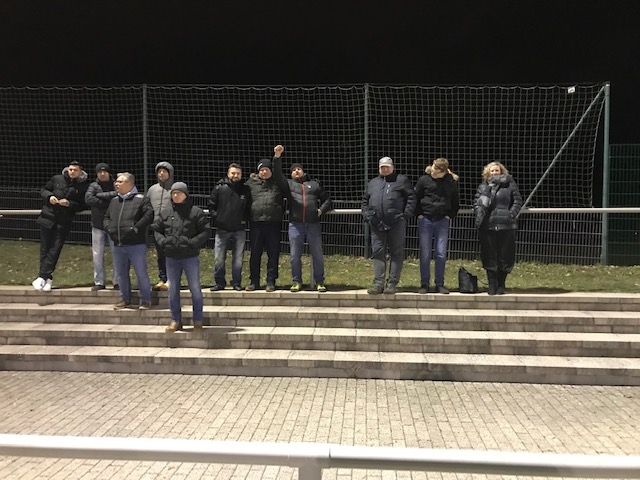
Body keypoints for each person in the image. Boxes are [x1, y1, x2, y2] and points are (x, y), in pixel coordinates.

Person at [272, 145, 332, 292]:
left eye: (298, 169)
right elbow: (277, 175)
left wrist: (321, 210)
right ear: (291, 174)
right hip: (295, 225)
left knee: (317, 255)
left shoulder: (314, 184)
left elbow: (327, 200)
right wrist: (277, 157)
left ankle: (319, 282)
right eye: (293, 170)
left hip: (313, 224)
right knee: (294, 256)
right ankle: (296, 282)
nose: (296, 171)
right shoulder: (288, 185)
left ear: (303, 171)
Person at [152, 182, 211, 332]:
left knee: (195, 289)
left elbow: (205, 231)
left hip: (190, 257)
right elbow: (156, 230)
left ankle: (198, 320)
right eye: (173, 193)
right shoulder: (165, 212)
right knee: (172, 290)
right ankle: (175, 320)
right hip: (171, 257)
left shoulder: (196, 212)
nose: (176, 195)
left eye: (179, 193)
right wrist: (163, 242)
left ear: (186, 194)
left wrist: (192, 243)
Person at [361, 156, 416, 295]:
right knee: (378, 252)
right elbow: (365, 201)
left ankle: (392, 283)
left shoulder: (401, 180)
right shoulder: (373, 183)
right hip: (376, 223)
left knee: (396, 253)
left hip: (396, 223)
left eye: (387, 167)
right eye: (382, 167)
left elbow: (411, 197)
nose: (384, 169)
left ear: (393, 167)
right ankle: (378, 284)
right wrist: (368, 216)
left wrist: (405, 215)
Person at [32, 161, 89, 292]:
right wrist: (50, 196)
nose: (72, 172)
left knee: (55, 249)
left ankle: (42, 276)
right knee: (45, 249)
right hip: (47, 218)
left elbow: (83, 205)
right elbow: (44, 190)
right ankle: (46, 278)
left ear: (81, 172)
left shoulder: (83, 186)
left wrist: (69, 204)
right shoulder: (57, 179)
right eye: (70, 169)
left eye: (75, 170)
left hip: (64, 221)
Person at [104, 172, 154, 309]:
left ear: (129, 184)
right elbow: (107, 217)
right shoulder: (114, 201)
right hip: (118, 244)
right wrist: (109, 228)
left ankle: (146, 300)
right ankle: (125, 298)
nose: (116, 184)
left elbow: (149, 214)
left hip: (136, 244)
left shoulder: (141, 199)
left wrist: (136, 228)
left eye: (120, 182)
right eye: (116, 181)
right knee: (121, 274)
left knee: (141, 273)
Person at [474, 161, 523, 295]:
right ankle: (492, 284)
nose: (495, 172)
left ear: (501, 171)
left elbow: (517, 201)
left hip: (506, 225)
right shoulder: (483, 186)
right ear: (488, 172)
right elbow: (477, 203)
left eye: (497, 170)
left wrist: (511, 214)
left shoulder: (510, 185)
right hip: (488, 225)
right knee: (489, 256)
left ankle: (501, 284)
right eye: (492, 170)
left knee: (505, 256)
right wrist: (480, 215)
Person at [414, 157, 460, 294]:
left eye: (437, 170)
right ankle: (424, 283)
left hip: (442, 220)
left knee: (441, 253)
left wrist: (449, 215)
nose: (433, 170)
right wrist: (419, 214)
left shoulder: (450, 183)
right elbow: (416, 197)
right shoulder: (424, 180)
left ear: (444, 172)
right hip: (426, 219)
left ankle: (439, 283)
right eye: (433, 167)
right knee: (425, 253)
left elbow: (455, 200)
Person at [244, 156, 285, 292]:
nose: (264, 172)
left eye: (267, 169)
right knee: (255, 254)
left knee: (273, 254)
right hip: (256, 223)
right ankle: (254, 282)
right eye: (261, 170)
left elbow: (280, 176)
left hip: (273, 223)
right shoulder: (250, 184)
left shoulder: (278, 183)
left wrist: (277, 157)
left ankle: (270, 281)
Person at [208, 163, 250, 291]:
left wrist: (244, 219)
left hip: (239, 229)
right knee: (219, 258)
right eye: (233, 173)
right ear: (228, 173)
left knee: (238, 259)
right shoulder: (219, 188)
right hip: (222, 229)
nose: (235, 175)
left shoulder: (245, 190)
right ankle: (219, 283)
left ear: (241, 175)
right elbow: (211, 206)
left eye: (238, 173)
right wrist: (219, 218)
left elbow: (249, 208)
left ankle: (236, 283)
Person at [85, 162, 119, 291]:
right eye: (100, 172)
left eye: (105, 171)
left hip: (113, 224)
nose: (102, 174)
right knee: (97, 255)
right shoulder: (93, 185)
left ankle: (117, 281)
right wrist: (108, 201)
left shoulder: (116, 184)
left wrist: (99, 196)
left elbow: (119, 196)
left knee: (117, 254)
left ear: (109, 173)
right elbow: (88, 199)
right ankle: (99, 281)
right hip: (98, 225)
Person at [146, 161, 175, 291]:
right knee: (160, 255)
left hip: (171, 228)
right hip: (157, 228)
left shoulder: (175, 188)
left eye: (164, 171)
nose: (161, 174)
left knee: (171, 254)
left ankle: (172, 279)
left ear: (170, 173)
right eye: (159, 171)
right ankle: (162, 278)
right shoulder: (152, 189)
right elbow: (147, 206)